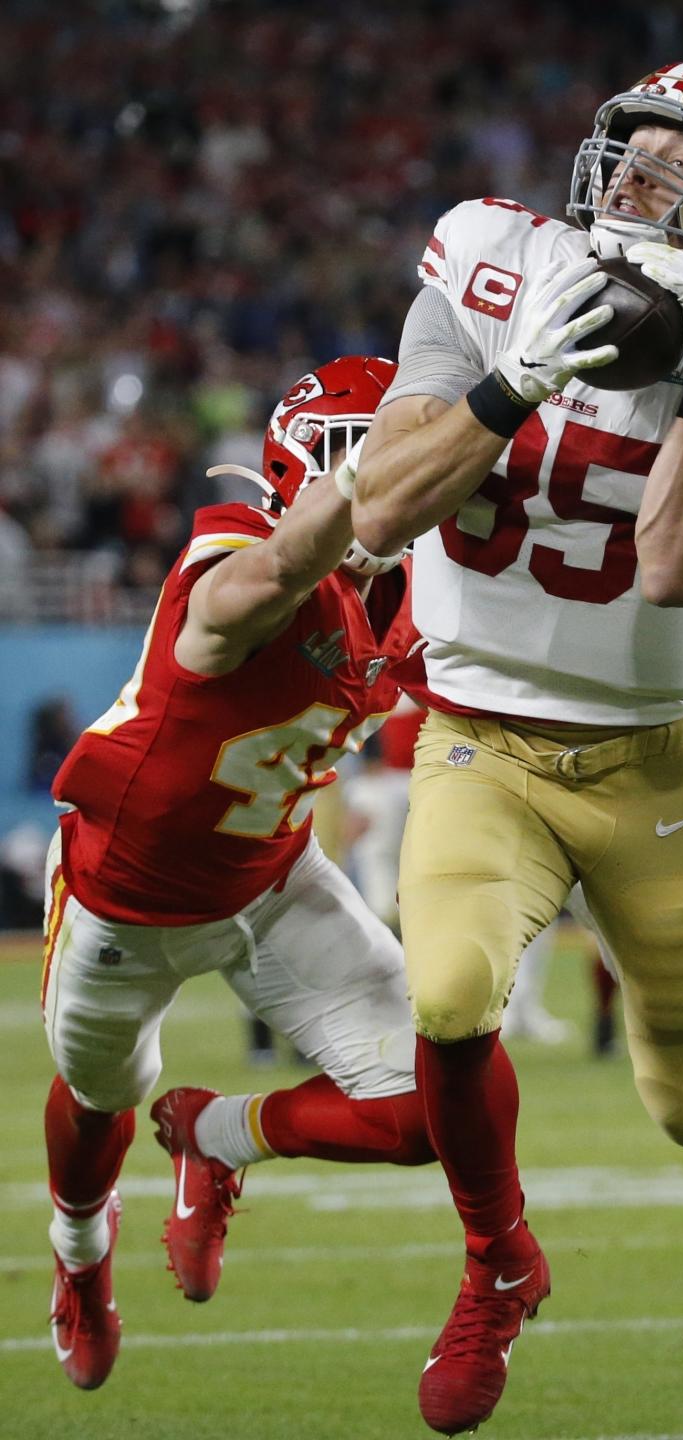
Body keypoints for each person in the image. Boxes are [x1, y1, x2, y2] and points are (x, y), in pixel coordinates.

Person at [353, 61, 683, 1436]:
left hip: (648, 763)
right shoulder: (487, 257)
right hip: (478, 739)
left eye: (677, 156)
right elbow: (380, 508)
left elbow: (674, 571)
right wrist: (513, 381)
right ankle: (496, 1265)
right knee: (453, 1000)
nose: (636, 171)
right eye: (630, 144)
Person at [40, 356, 438, 1393]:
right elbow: (250, 594)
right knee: (98, 1094)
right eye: (376, 453)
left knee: (428, 1107)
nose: (405, 474)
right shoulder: (240, 548)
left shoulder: (415, 590)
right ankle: (80, 1260)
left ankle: (215, 1136)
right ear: (308, 468)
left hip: (274, 882)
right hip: (126, 897)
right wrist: (353, 492)